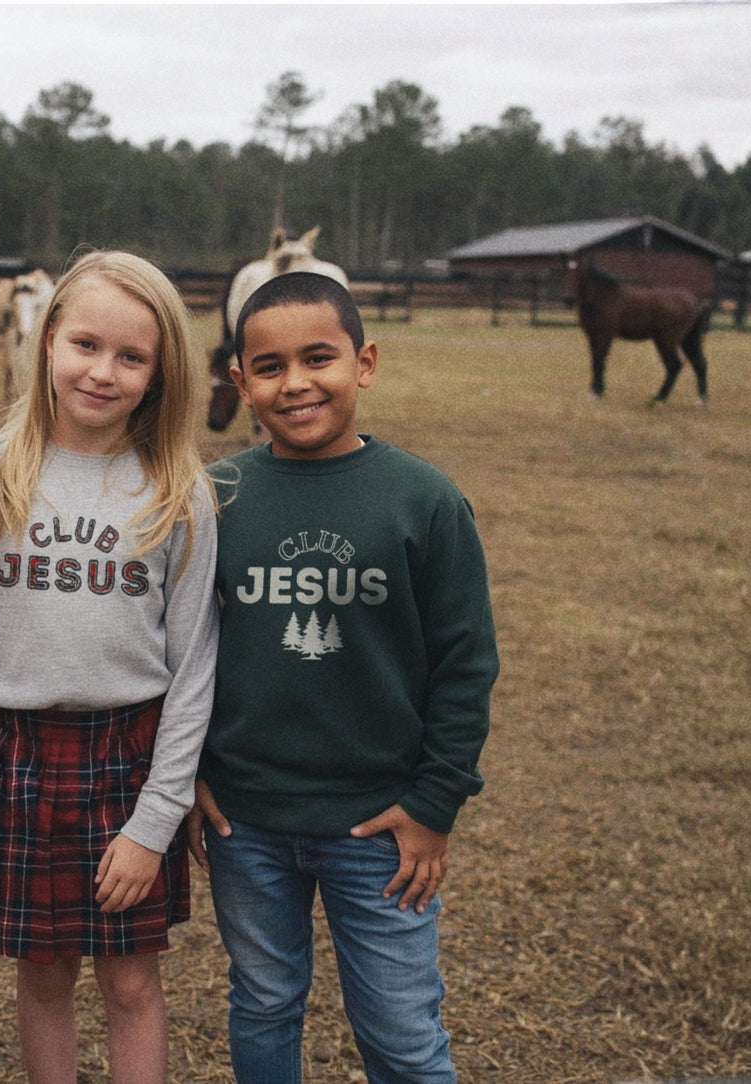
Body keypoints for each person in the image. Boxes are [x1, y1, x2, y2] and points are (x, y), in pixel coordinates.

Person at [186, 272, 500, 1083]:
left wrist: (435, 804)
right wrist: (189, 776)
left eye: (317, 358)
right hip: (244, 822)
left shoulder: (424, 501)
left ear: (363, 363)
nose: (295, 383)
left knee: (398, 1030)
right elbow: (178, 653)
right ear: (239, 381)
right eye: (269, 367)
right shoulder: (213, 498)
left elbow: (464, 664)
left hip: (380, 830)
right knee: (261, 1003)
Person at [0, 251, 219, 1084]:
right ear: (47, 339)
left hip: (127, 761)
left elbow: (195, 664)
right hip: (13, 757)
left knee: (132, 982)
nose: (103, 372)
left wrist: (154, 821)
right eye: (85, 345)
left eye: (131, 357)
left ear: (160, 372)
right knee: (42, 976)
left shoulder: (178, 490)